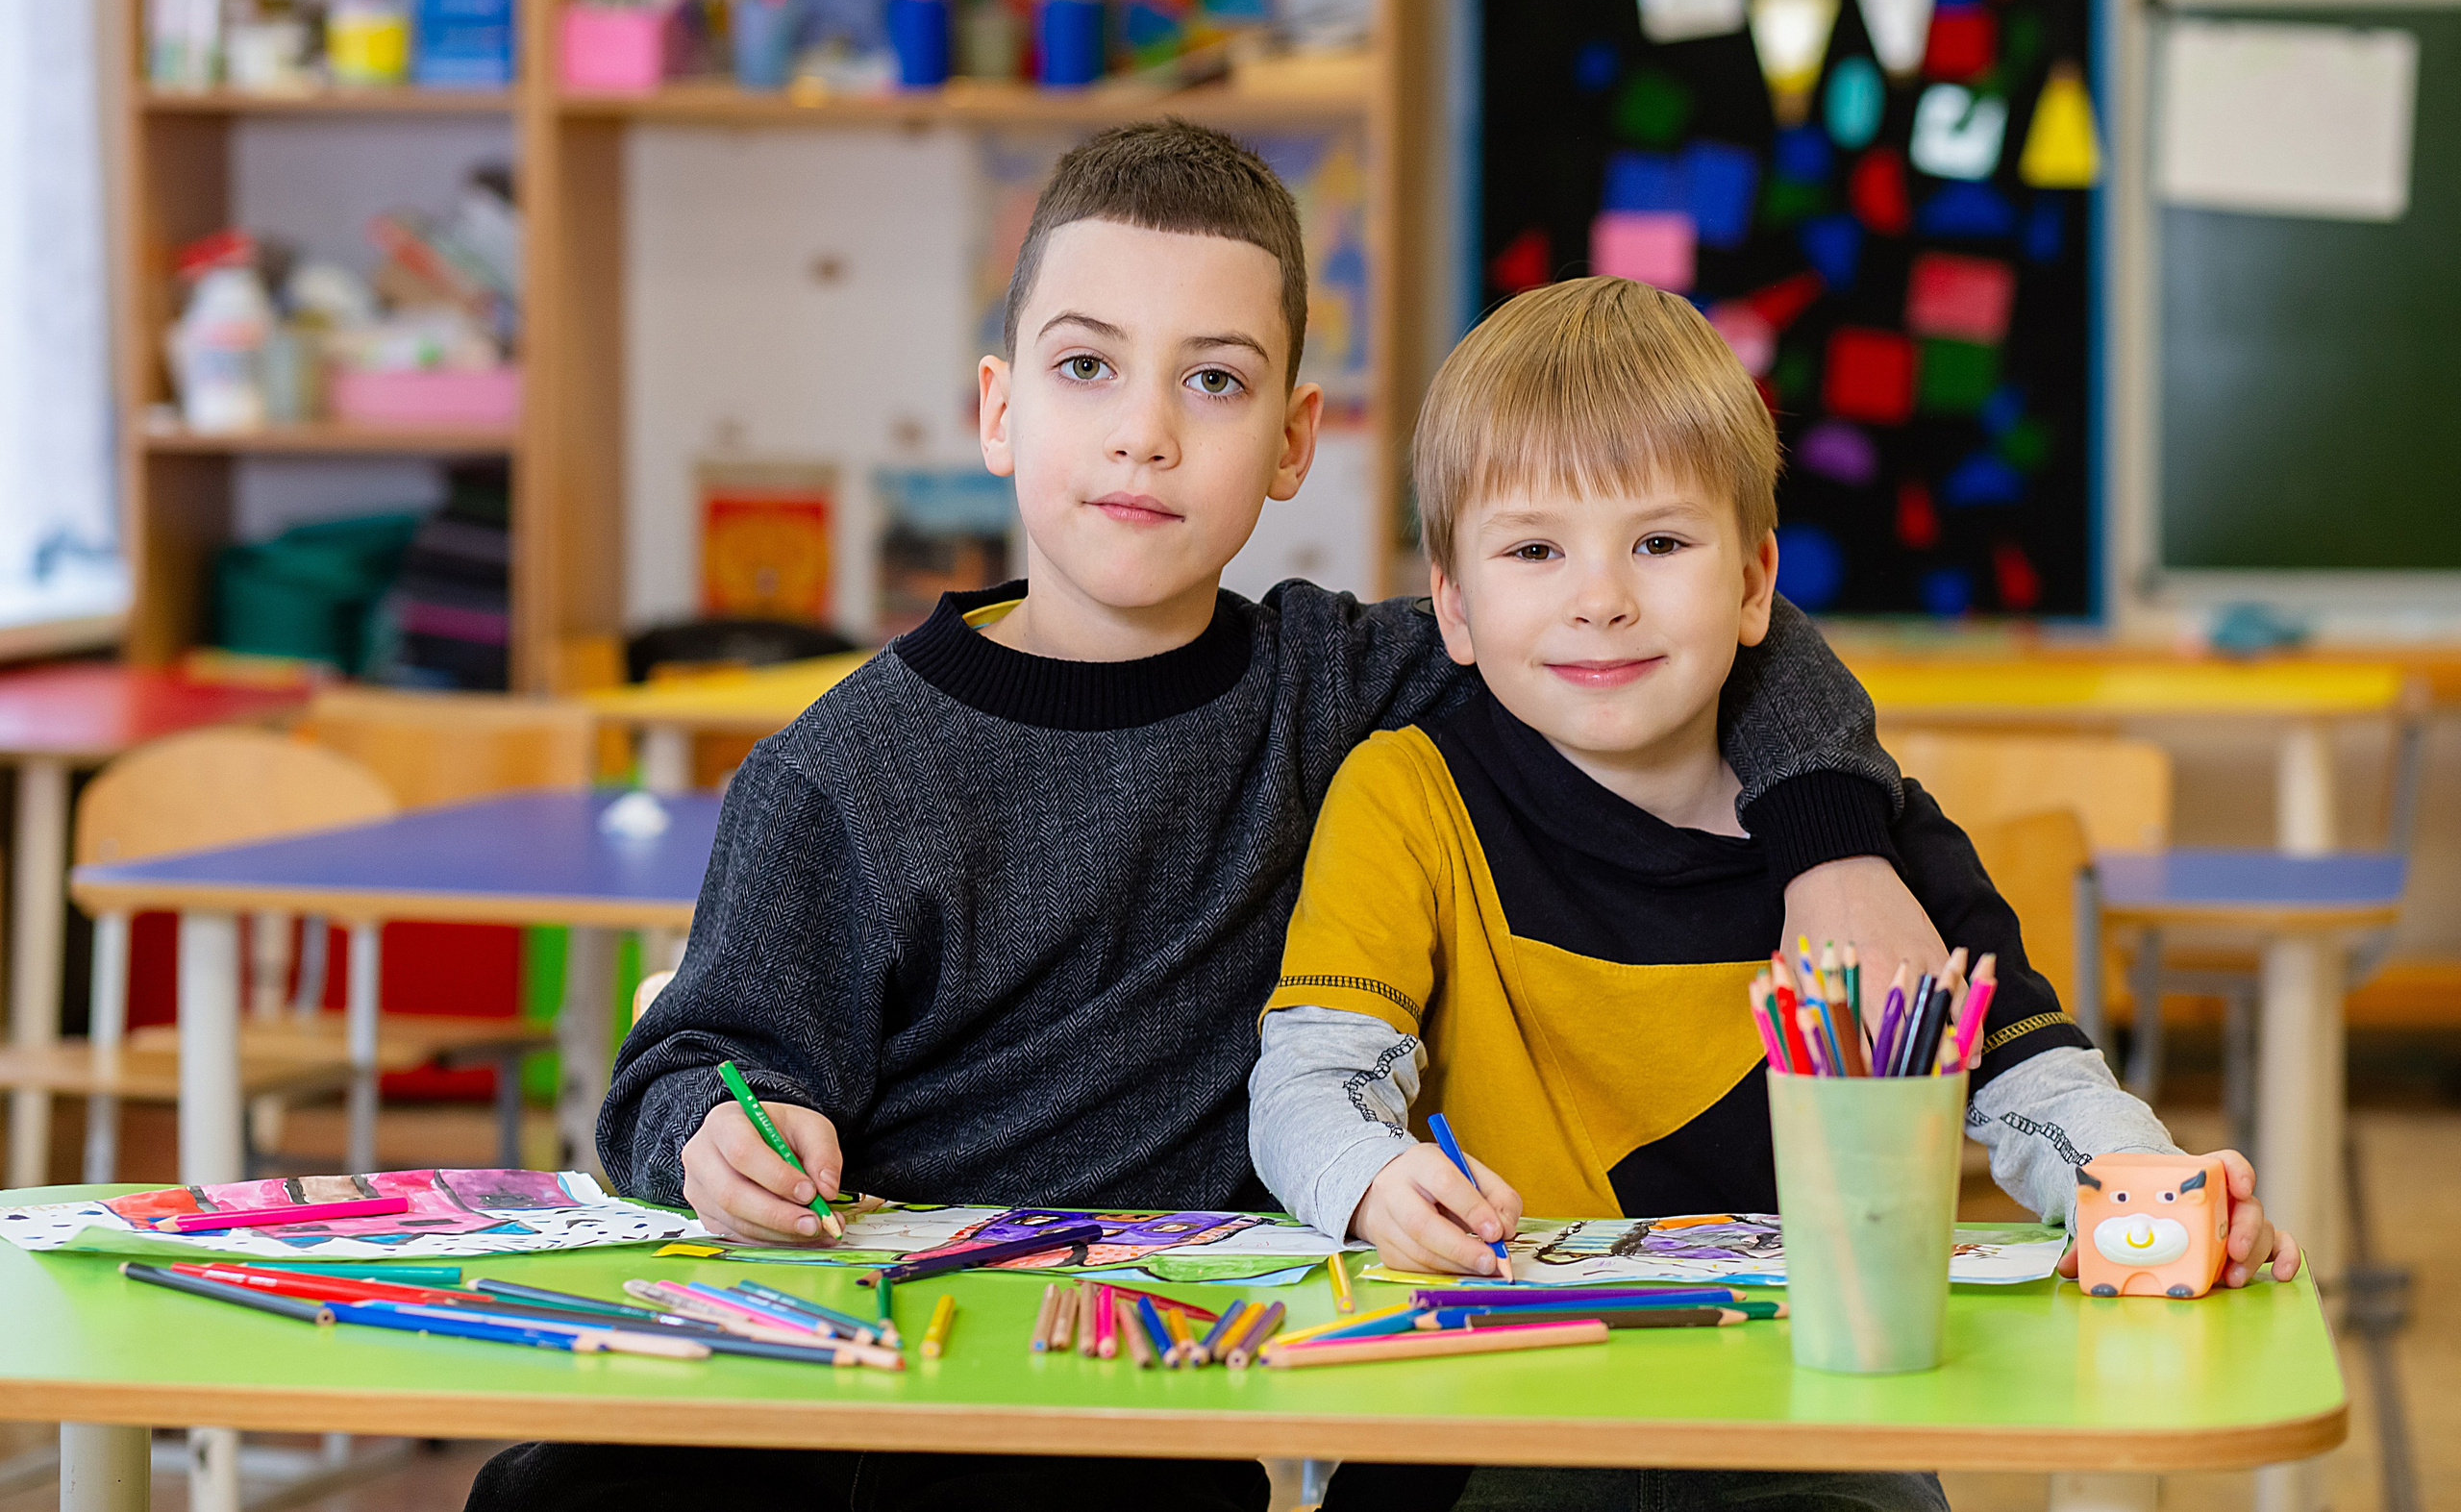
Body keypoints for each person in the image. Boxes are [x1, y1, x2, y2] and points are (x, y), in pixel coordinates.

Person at [470, 124, 1941, 1512]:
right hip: (834, 1382)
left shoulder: (1345, 682)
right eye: (1086, 366)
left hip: (1128, 1417)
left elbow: (1713, 623)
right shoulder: (840, 771)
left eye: (1216, 382)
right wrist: (719, 1134)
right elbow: (681, 1073)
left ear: (1295, 440)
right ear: (999, 408)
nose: (1146, 434)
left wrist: (1836, 850)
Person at [1249, 276, 2301, 1512]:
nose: (1600, 596)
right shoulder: (1403, 796)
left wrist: (2155, 1190)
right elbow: (1311, 1077)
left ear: (1755, 584)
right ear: (1454, 606)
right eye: (1534, 548)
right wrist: (1371, 1179)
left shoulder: (1866, 840)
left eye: (1659, 542)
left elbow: (2037, 1086)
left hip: (1807, 1413)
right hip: (1477, 1406)